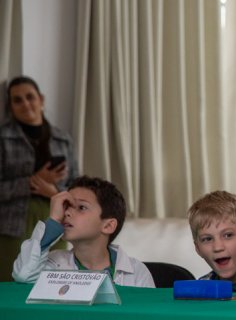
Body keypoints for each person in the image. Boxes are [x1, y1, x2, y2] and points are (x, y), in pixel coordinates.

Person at [1, 76, 79, 280]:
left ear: (41, 99)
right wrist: (32, 181)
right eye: (17, 100)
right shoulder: (2, 137)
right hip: (11, 224)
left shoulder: (63, 138)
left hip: (54, 218)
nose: (25, 103)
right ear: (10, 106)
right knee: (12, 278)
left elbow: (76, 185)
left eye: (30, 97)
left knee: (51, 278)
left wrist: (54, 191)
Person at [12, 176, 153, 287]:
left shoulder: (137, 272)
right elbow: (23, 274)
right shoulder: (53, 264)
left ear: (108, 226)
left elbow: (147, 319)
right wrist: (53, 220)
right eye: (66, 206)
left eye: (81, 207)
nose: (66, 213)